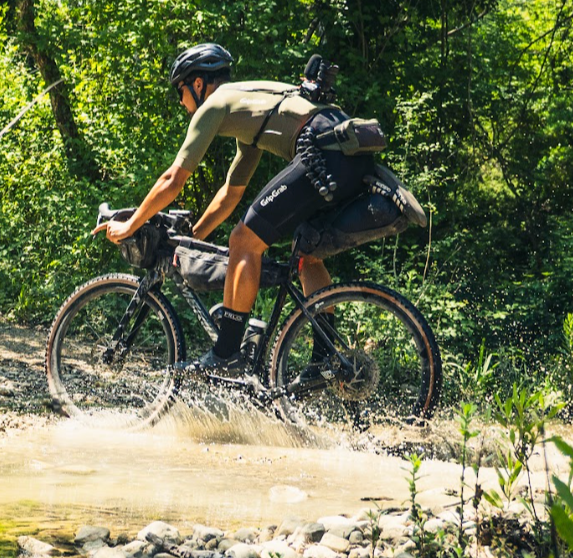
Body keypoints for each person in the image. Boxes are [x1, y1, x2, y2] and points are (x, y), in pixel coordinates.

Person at [97, 43, 375, 374]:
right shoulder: (252, 110)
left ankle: (227, 352)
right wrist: (195, 237)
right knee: (306, 256)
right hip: (349, 154)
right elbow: (231, 193)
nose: (182, 103)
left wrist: (129, 226)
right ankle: (326, 361)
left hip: (321, 150)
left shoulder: (214, 104)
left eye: (180, 93)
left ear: (197, 84)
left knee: (243, 241)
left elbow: (173, 179)